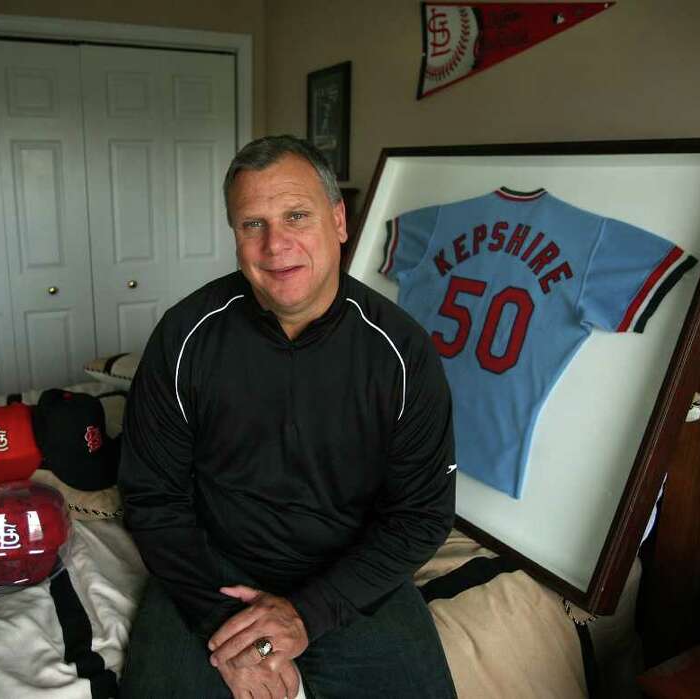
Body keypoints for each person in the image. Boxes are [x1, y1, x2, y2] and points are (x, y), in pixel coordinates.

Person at [118, 135, 458, 698]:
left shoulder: (404, 354)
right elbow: (153, 499)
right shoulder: (185, 336)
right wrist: (222, 628)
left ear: (339, 220)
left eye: (296, 216)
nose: (276, 245)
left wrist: (306, 615)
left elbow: (422, 516)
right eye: (252, 224)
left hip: (350, 574)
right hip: (211, 572)